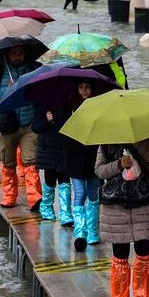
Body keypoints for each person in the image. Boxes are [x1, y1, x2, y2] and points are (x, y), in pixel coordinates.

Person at [95, 135, 149, 297]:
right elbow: (100, 171)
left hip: (144, 200)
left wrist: (138, 143)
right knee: (120, 253)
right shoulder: (106, 139)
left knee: (144, 250)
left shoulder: (147, 133)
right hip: (115, 204)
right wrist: (118, 164)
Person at [0, 45, 42, 209]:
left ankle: (35, 198)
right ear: (8, 53)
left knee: (31, 161)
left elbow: (41, 92)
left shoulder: (32, 69)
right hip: (7, 125)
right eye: (14, 53)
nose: (17, 56)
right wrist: (6, 89)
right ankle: (9, 196)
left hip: (28, 124)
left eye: (20, 53)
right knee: (8, 163)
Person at [63, 80, 102, 252]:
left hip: (93, 157)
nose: (84, 91)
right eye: (81, 87)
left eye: (87, 87)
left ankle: (92, 231)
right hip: (75, 158)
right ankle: (80, 233)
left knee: (93, 195)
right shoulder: (70, 106)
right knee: (80, 193)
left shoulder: (99, 106)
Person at [31, 102, 73, 227]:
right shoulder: (41, 106)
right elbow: (35, 127)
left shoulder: (66, 105)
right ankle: (46, 208)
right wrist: (47, 120)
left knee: (65, 181)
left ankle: (65, 213)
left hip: (63, 148)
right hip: (48, 150)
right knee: (50, 180)